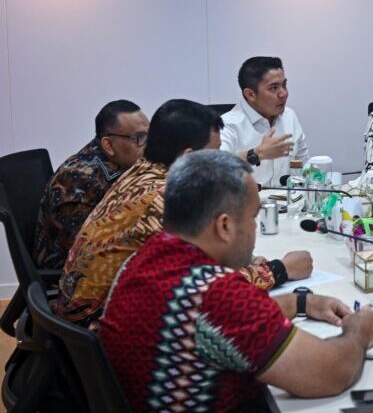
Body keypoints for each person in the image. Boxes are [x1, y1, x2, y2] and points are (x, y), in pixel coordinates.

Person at [100, 150, 373, 413]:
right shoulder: (217, 295)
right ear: (225, 226)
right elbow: (330, 372)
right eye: (252, 218)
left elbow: (212, 327)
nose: (255, 229)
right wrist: (359, 332)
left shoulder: (142, 261)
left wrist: (298, 303)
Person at [58, 99, 312, 328]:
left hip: (89, 319)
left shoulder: (143, 172)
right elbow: (207, 289)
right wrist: (279, 270)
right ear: (188, 157)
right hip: (102, 330)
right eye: (214, 153)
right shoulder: (164, 200)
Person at [34, 100, 149, 270]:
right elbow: (82, 250)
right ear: (108, 145)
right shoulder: (79, 180)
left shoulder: (119, 165)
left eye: (149, 136)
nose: (147, 145)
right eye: (139, 138)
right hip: (68, 275)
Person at [220, 56, 309, 188]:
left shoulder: (289, 116)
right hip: (247, 206)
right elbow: (214, 170)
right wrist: (256, 154)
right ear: (250, 94)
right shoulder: (226, 125)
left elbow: (304, 164)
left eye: (284, 85)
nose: (283, 94)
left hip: (290, 204)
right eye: (274, 88)